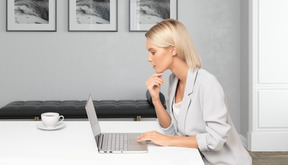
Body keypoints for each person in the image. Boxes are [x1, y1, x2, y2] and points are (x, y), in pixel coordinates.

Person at [137, 19, 252, 165]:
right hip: (194, 157)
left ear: (173, 49)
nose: (148, 58)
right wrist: (155, 100)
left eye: (153, 52)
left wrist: (168, 140)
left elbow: (216, 140)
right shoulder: (174, 80)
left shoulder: (207, 84)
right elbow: (172, 132)